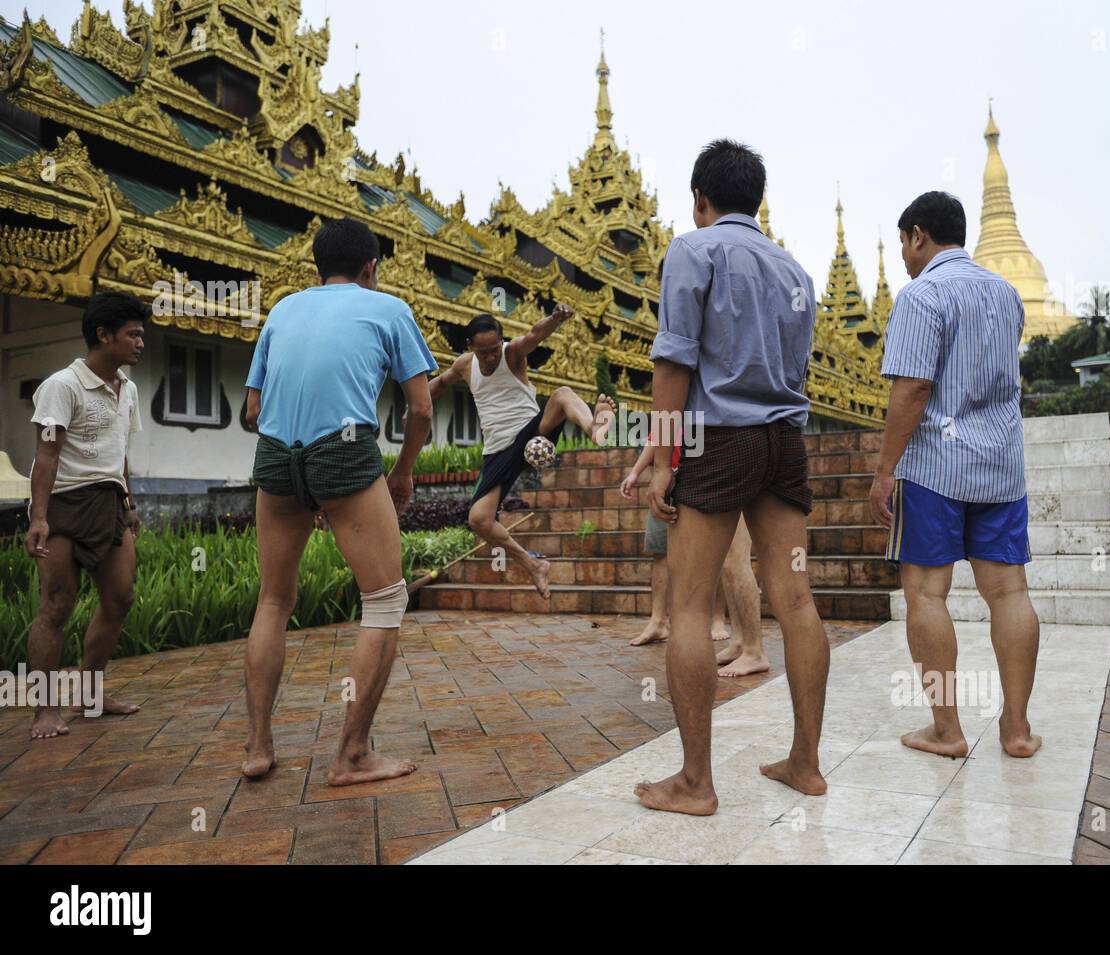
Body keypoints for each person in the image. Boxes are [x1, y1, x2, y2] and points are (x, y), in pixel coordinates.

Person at [639, 139, 829, 815]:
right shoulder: (794, 269)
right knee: (797, 600)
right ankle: (806, 762)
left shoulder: (695, 249)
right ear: (758, 199)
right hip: (784, 440)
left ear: (700, 198)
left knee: (689, 605)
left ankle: (695, 781)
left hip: (717, 437)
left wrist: (664, 459)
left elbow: (673, 365)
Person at [242, 216, 436, 785]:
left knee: (273, 600)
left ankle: (257, 747)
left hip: (276, 457)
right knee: (383, 600)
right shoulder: (389, 309)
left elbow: (252, 411)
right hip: (345, 451)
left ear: (316, 269)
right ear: (371, 268)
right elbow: (420, 410)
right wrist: (401, 472)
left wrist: (295, 462)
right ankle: (352, 755)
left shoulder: (282, 309)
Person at [868, 191, 1041, 759]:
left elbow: (912, 388)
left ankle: (947, 729)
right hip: (1000, 469)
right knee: (1010, 593)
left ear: (919, 236)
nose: (903, 257)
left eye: (903, 244)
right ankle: (1016, 731)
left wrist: (885, 468)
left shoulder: (922, 296)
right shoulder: (1006, 294)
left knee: (926, 593)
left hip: (935, 470)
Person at [24, 291, 147, 739]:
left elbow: (122, 453)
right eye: (133, 335)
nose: (140, 343)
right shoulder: (62, 386)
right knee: (56, 606)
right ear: (103, 334)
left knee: (120, 598)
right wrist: (39, 518)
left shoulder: (128, 389)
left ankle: (89, 694)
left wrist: (130, 506)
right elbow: (47, 455)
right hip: (64, 505)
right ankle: (44, 711)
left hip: (110, 503)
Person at [427, 308, 615, 597]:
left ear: (502, 341)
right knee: (479, 519)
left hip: (531, 431)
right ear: (470, 347)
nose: (491, 357)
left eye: (494, 349)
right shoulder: (465, 364)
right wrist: (414, 407)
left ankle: (594, 427)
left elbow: (534, 335)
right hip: (497, 451)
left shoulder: (511, 354)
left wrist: (555, 319)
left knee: (562, 393)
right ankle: (533, 565)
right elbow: (439, 384)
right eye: (484, 352)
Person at [620, 439, 768, 678]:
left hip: (728, 457)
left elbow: (664, 425)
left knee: (735, 560)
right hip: (706, 467)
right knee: (729, 562)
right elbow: (660, 431)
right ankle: (741, 644)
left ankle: (754, 650)